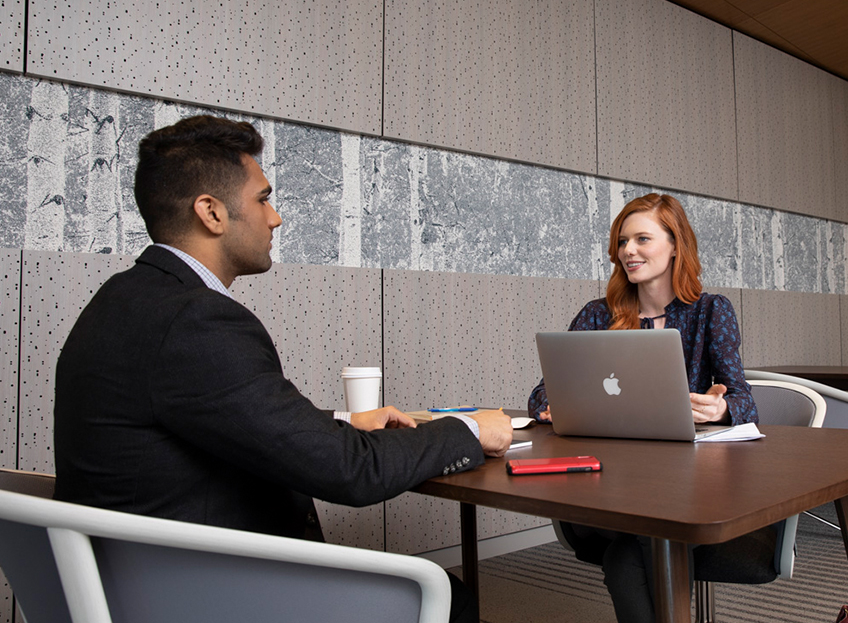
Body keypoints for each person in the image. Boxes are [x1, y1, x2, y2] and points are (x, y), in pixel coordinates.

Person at [53, 115, 512, 623]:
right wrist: (470, 429)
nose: (274, 218)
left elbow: (224, 415)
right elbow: (351, 472)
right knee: (444, 596)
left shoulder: (121, 301)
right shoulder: (195, 319)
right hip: (205, 595)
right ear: (211, 212)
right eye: (263, 199)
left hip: (131, 586)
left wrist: (340, 422)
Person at [527, 193, 766, 623]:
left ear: (676, 245)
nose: (628, 251)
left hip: (686, 490)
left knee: (626, 559)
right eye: (622, 242)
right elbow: (542, 392)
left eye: (641, 239)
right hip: (605, 487)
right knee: (644, 535)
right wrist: (552, 405)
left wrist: (721, 409)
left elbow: (746, 401)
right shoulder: (597, 316)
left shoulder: (712, 312)